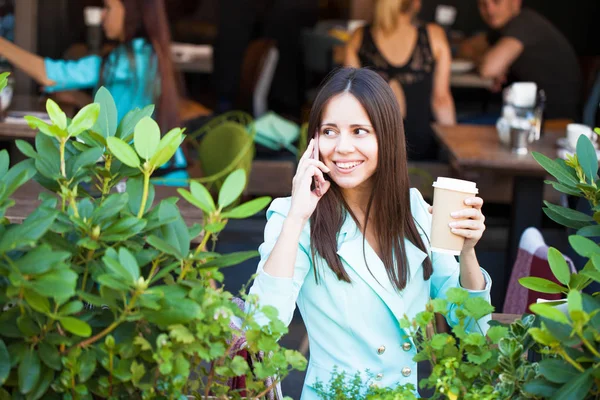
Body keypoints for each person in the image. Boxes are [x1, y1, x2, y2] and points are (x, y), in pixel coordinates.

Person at [247, 68, 492, 399]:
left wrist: (467, 251)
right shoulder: (295, 216)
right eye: (329, 131)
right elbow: (261, 327)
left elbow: (472, 327)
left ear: (386, 137)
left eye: (359, 131)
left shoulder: (416, 209)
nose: (343, 147)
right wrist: (296, 217)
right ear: (314, 141)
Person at [0, 0, 188, 184]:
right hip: (158, 175)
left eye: (108, 7)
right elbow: (125, 106)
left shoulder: (130, 59)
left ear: (132, 11)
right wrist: (78, 99)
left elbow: (49, 75)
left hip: (153, 183)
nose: (102, 15)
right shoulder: (147, 54)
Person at [344, 0, 455, 161]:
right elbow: (441, 100)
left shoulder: (358, 37)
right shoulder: (434, 35)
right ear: (416, 4)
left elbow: (350, 100)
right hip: (422, 146)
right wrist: (453, 150)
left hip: (375, 148)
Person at [459, 0, 582, 120]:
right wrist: (490, 59)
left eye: (496, 2)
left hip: (550, 121)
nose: (489, 10)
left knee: (460, 120)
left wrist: (492, 61)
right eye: (482, 4)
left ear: (516, 2)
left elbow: (488, 69)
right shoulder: (502, 29)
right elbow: (466, 47)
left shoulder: (525, 23)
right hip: (525, 113)